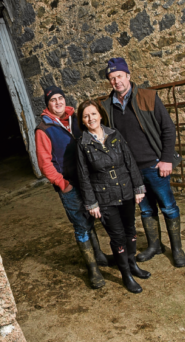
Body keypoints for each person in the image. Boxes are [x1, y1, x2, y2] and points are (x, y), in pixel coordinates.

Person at [99, 57, 185, 268]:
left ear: (128, 76)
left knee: (168, 207)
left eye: (119, 76)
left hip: (155, 165)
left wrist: (166, 159)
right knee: (146, 210)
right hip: (131, 170)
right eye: (112, 78)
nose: (116, 81)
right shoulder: (107, 107)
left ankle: (176, 249)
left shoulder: (148, 97)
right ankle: (154, 246)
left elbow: (168, 128)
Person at [35, 86, 111, 289]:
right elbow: (44, 163)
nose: (58, 102)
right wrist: (62, 184)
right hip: (69, 185)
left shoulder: (77, 120)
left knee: (92, 219)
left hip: (89, 181)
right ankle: (93, 269)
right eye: (53, 100)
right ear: (48, 105)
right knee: (81, 225)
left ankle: (100, 255)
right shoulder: (44, 129)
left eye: (61, 98)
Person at [76, 99, 150, 293]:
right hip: (104, 198)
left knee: (130, 231)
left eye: (93, 114)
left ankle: (133, 264)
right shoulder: (82, 144)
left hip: (125, 191)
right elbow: (83, 176)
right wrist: (91, 203)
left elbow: (130, 161)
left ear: (101, 115)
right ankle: (126, 274)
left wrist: (138, 187)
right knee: (117, 237)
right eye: (86, 116)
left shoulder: (115, 135)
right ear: (82, 121)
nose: (90, 118)